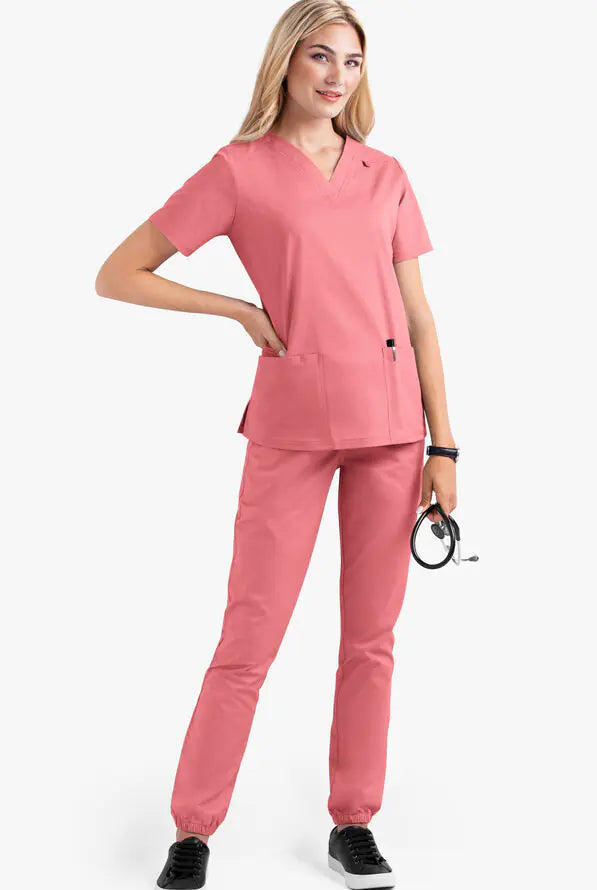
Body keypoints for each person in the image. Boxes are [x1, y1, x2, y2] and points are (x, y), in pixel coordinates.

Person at [95, 2, 458, 888]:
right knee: (248, 635)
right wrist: (235, 309)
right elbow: (118, 273)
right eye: (320, 56)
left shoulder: (384, 174)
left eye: (352, 61)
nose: (336, 76)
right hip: (291, 425)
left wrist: (444, 449)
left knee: (370, 639)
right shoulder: (239, 170)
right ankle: (192, 831)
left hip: (390, 428)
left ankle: (353, 820)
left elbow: (418, 315)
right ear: (286, 62)